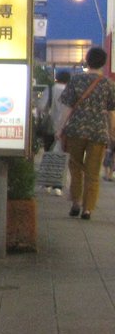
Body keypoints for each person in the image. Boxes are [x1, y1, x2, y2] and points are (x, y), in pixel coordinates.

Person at [59, 46, 115, 220]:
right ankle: (87, 209)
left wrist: (60, 128)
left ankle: (75, 203)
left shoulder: (76, 80)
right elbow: (111, 111)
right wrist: (112, 131)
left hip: (76, 130)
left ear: (87, 60)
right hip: (98, 132)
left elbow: (67, 107)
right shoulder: (108, 84)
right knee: (93, 172)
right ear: (103, 63)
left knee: (75, 168)